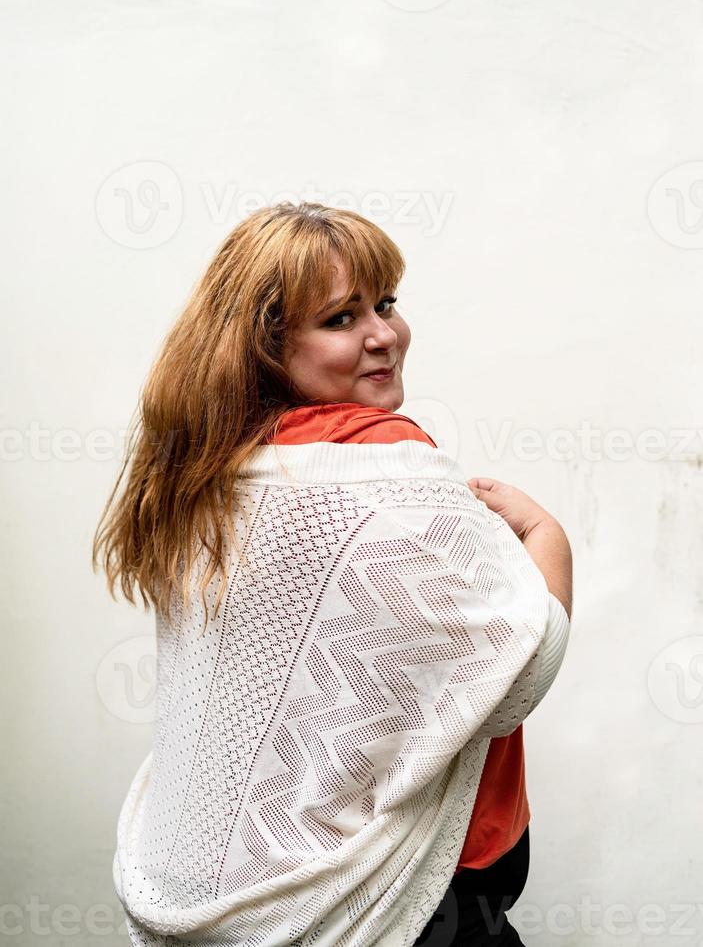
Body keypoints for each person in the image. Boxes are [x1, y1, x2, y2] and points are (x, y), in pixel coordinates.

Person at [93, 201, 573, 946]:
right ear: (265, 345)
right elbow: (516, 676)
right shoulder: (381, 459)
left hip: (227, 880)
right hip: (405, 896)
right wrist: (548, 537)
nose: (382, 335)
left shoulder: (208, 472)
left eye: (384, 304)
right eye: (341, 319)